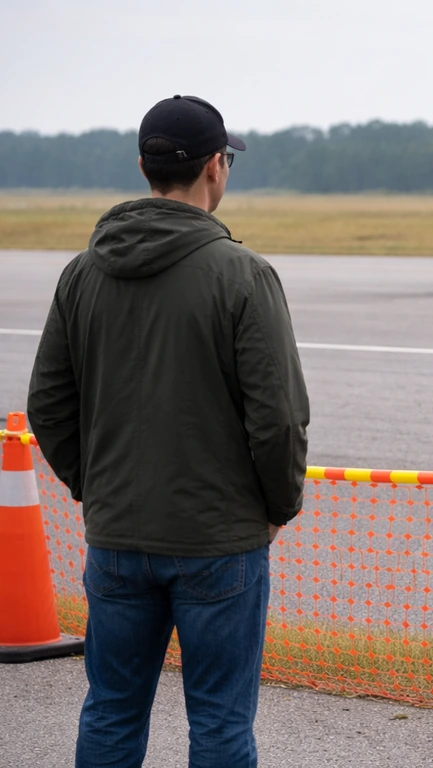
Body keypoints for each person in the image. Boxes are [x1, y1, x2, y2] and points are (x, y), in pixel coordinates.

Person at [27, 95, 310, 768]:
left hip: (118, 534)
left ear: (143, 166)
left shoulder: (82, 272)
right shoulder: (244, 275)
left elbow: (47, 403)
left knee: (111, 710)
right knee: (218, 721)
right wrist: (278, 506)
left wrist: (96, 487)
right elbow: (278, 418)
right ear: (216, 166)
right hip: (219, 541)